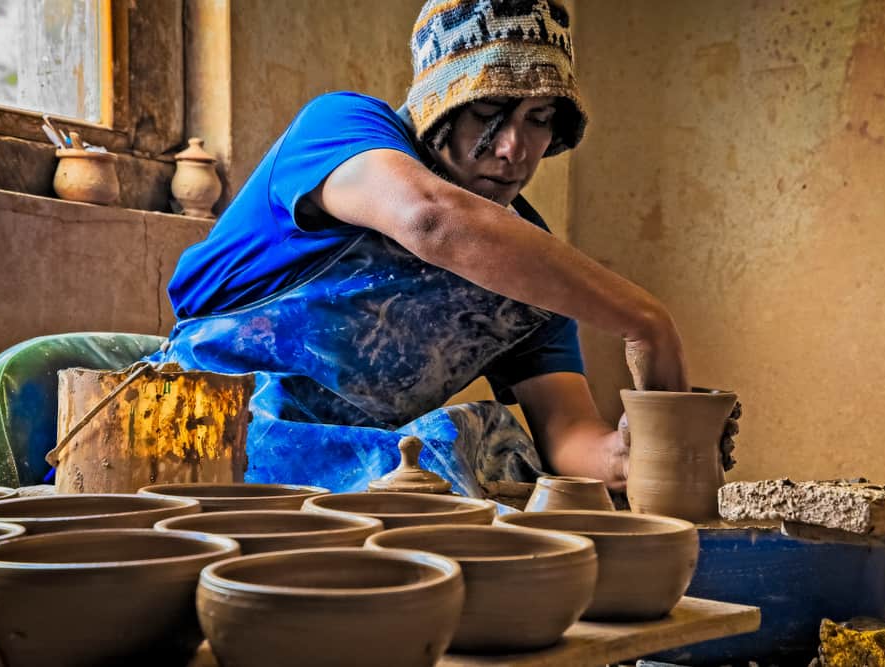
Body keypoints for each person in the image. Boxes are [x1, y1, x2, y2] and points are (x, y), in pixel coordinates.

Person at [149, 0, 690, 497]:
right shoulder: (341, 128)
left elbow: (568, 436)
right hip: (188, 433)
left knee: (490, 442)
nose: (513, 150)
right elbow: (429, 218)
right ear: (439, 105)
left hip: (355, 471)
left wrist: (627, 455)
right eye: (488, 113)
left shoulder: (531, 272)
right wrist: (646, 321)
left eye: (540, 120)